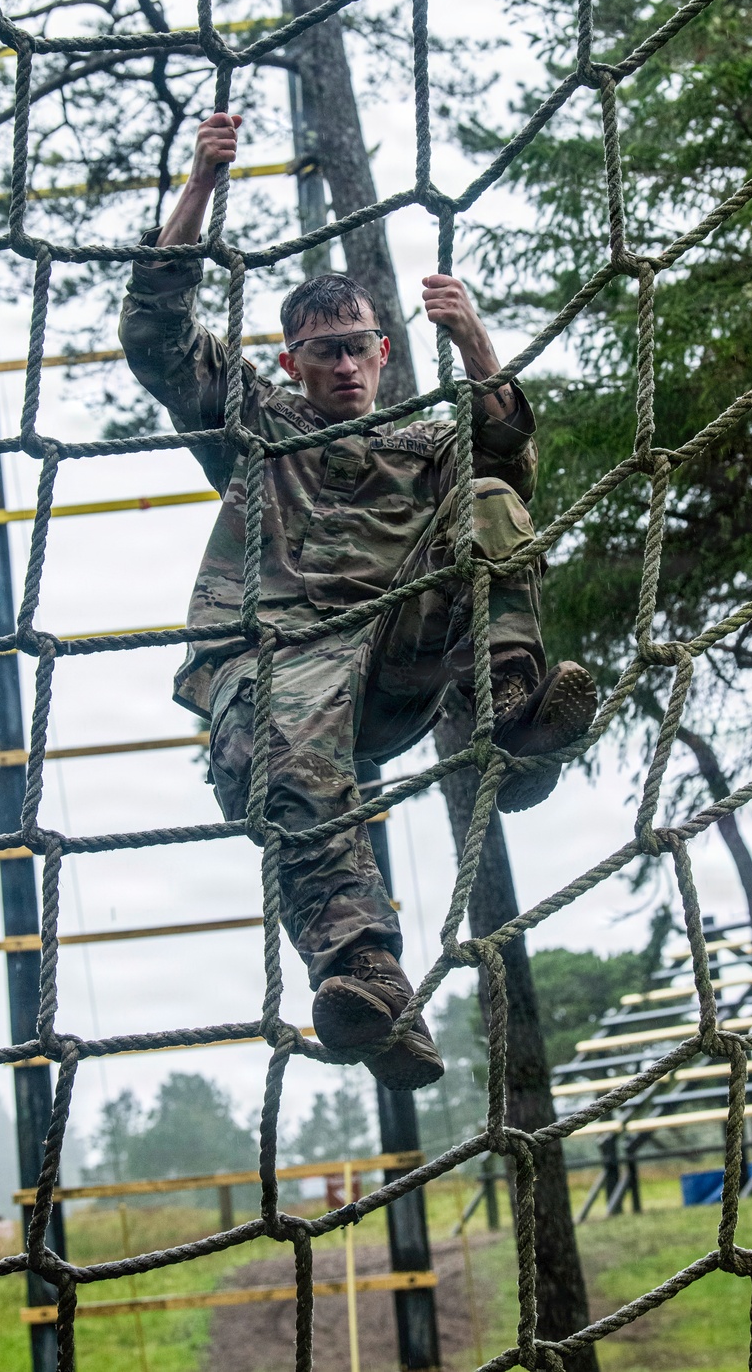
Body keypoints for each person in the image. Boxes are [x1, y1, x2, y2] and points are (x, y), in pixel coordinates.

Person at [118, 113, 597, 1092]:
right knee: (292, 749)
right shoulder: (256, 419)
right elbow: (155, 337)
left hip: (389, 667)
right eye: (323, 349)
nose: (344, 364)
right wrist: (202, 187)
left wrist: (471, 340)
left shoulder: (421, 448)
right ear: (290, 360)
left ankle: (505, 721)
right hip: (279, 675)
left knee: (491, 497)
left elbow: (505, 462)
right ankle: (365, 982)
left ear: (385, 353)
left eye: (360, 346)